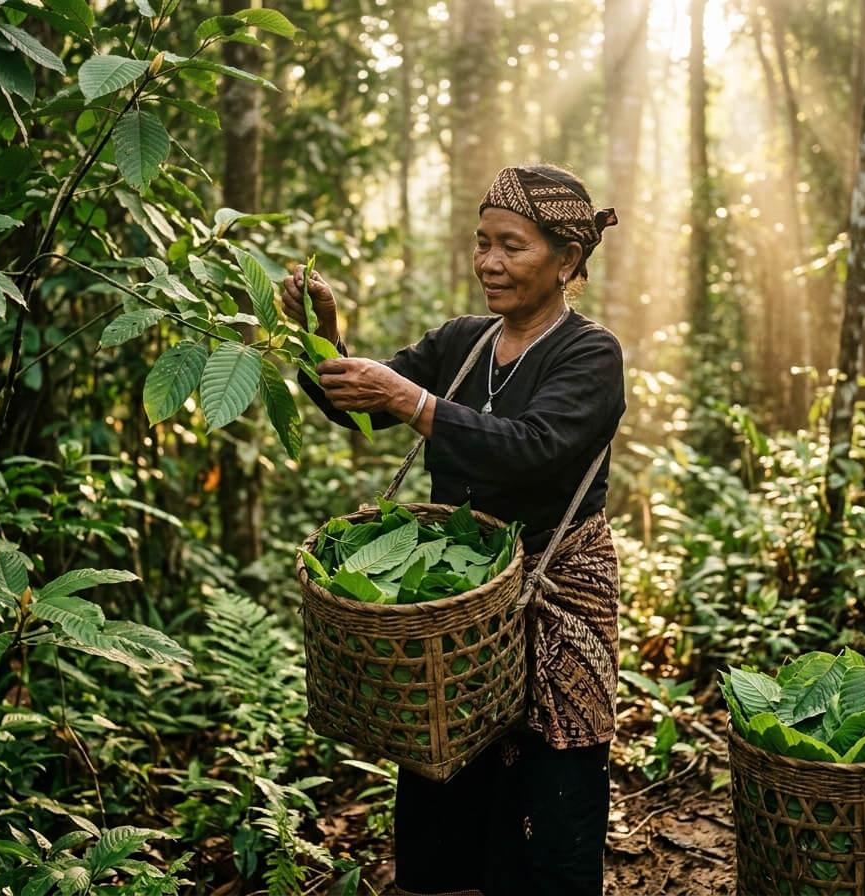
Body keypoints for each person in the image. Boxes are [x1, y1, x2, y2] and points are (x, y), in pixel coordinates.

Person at [281, 164, 625, 896]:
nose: (489, 263)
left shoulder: (589, 353)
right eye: (482, 243)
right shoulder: (462, 342)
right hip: (458, 600)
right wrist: (321, 336)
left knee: (553, 780)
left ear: (567, 261)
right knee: (448, 767)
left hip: (556, 589)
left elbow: (534, 447)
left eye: (512, 245)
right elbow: (362, 408)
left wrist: (415, 403)